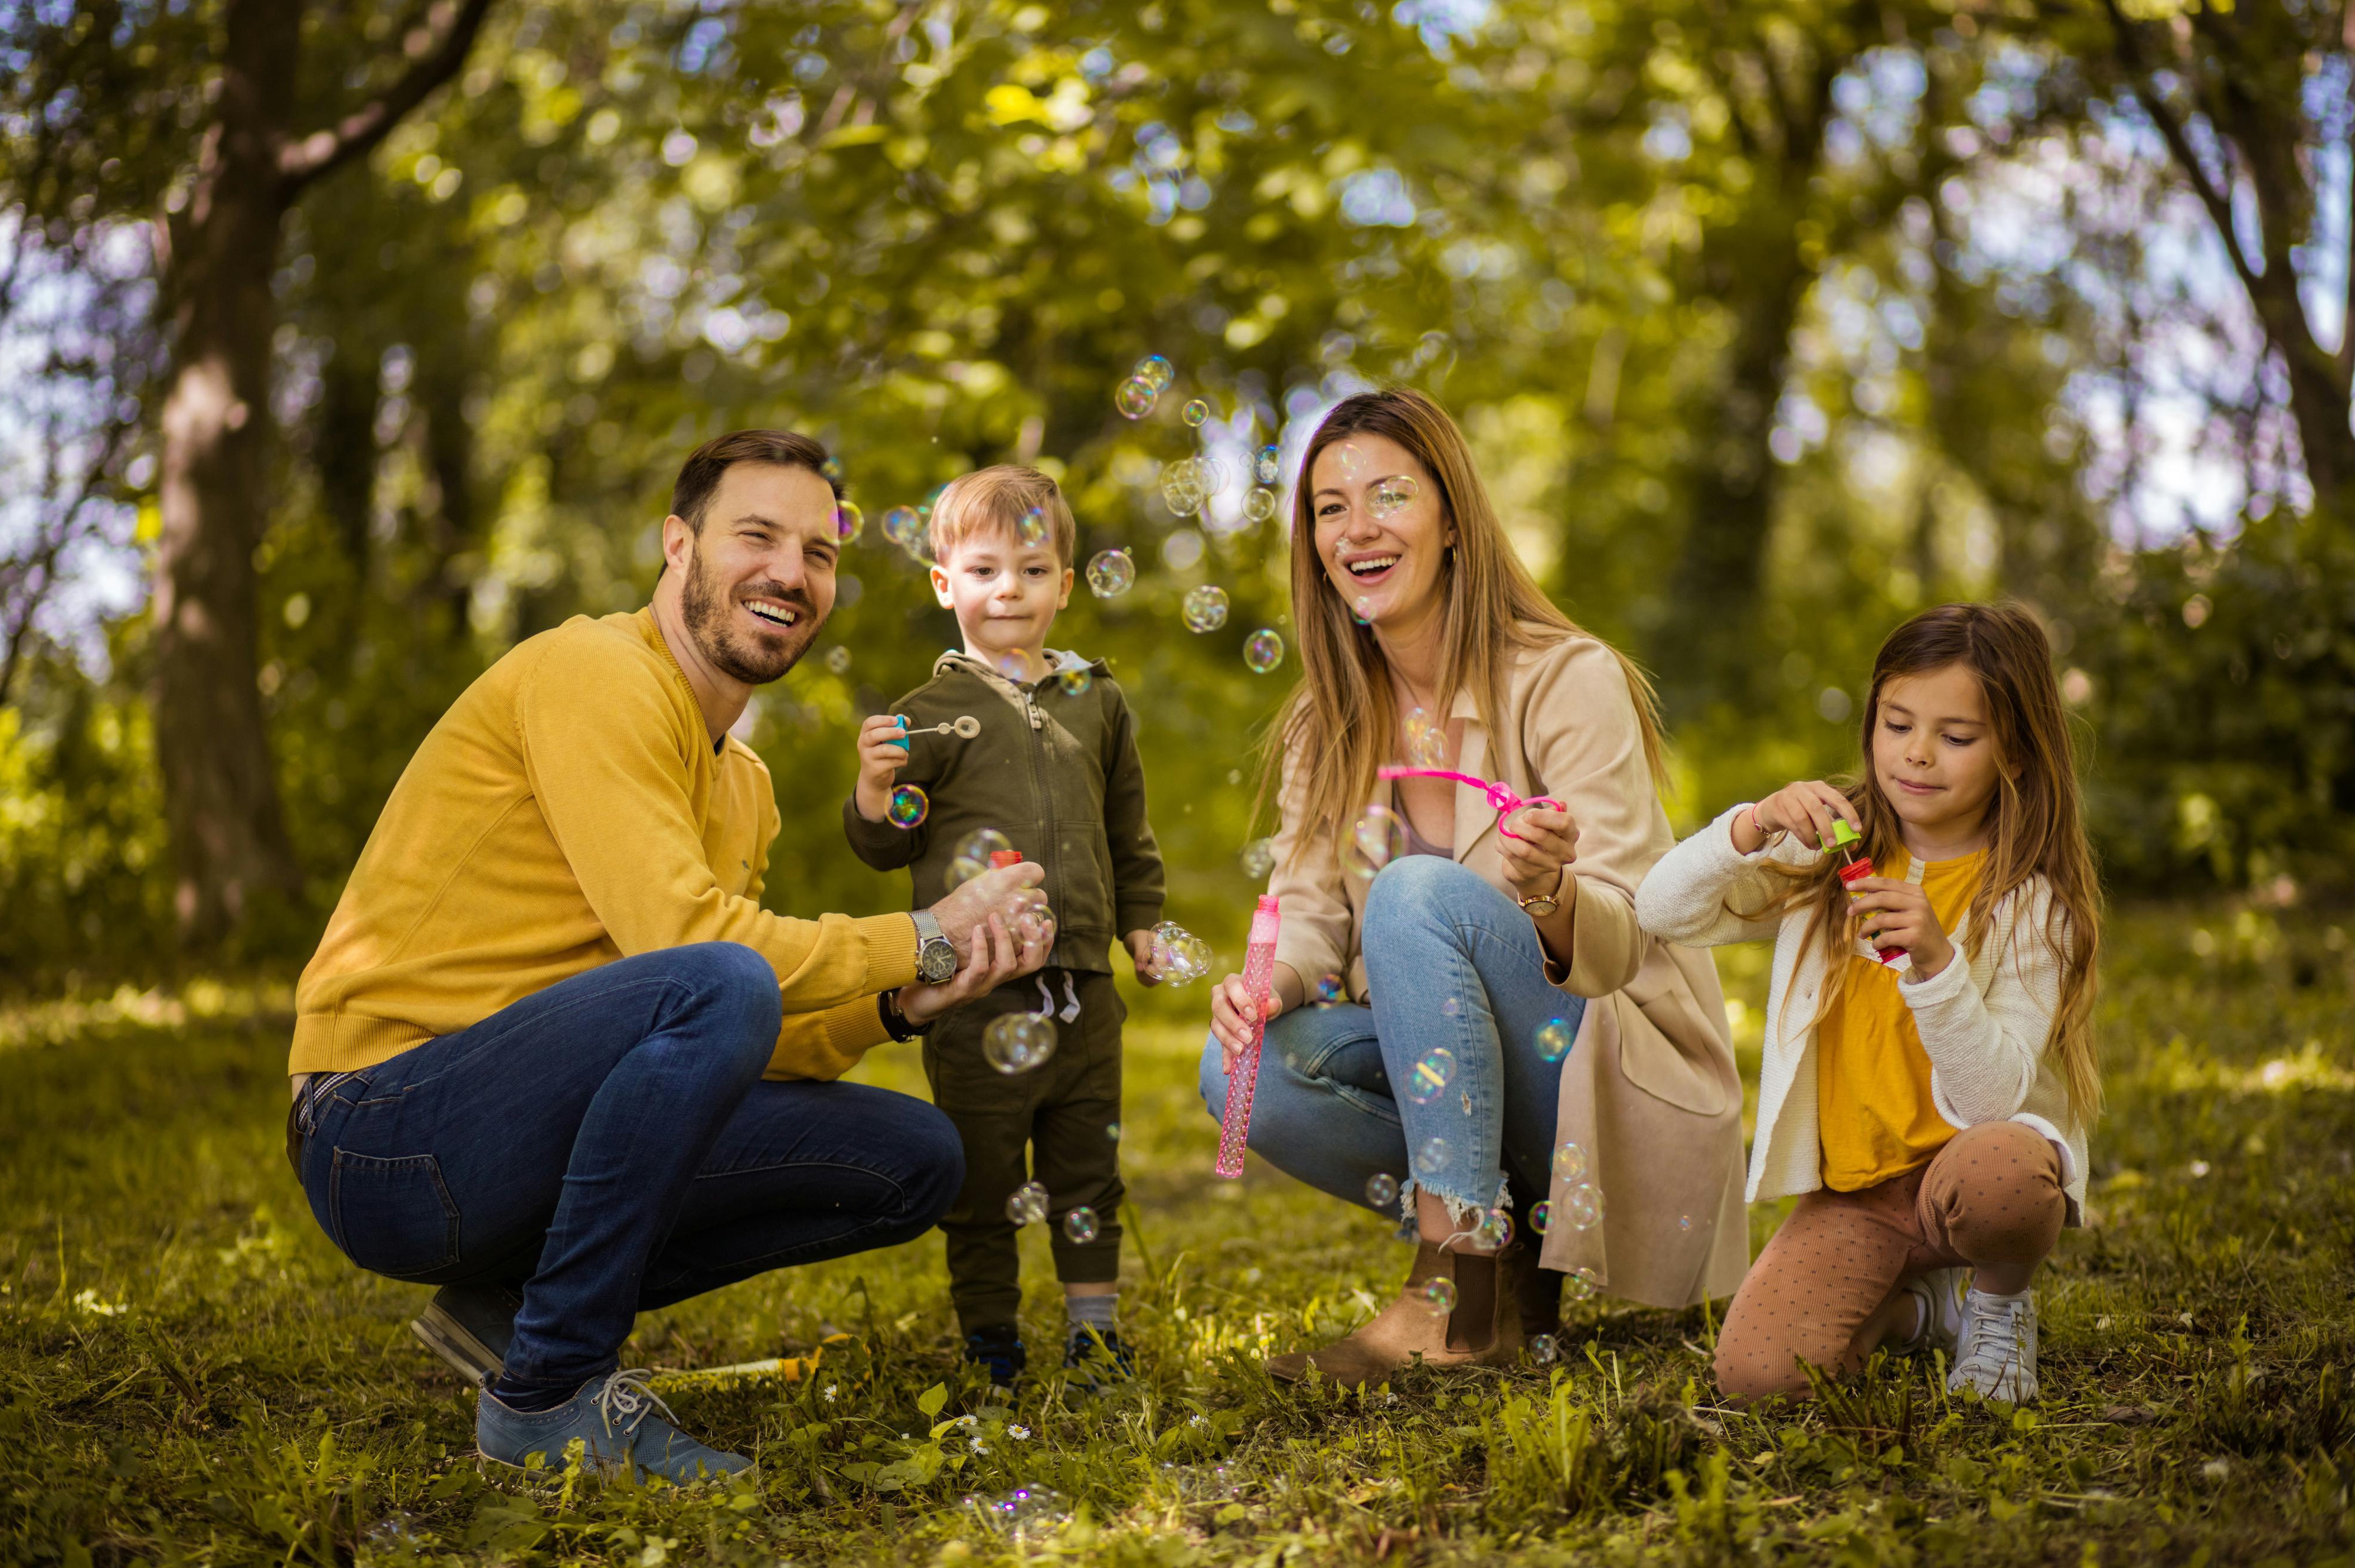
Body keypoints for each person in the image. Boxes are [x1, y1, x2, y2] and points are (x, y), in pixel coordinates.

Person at [288, 430, 1053, 1484]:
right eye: (757, 536)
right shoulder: (593, 672)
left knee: (914, 1159)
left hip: (530, 1135)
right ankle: (551, 1394)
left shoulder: (745, 784)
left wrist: (902, 1003)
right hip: (382, 1132)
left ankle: (515, 1309)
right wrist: (919, 931)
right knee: (719, 971)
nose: (791, 570)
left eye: (819, 553)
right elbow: (696, 954)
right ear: (678, 545)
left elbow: (723, 1034)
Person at [1198, 388, 1748, 1385]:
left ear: (1452, 518)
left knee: (1414, 893)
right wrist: (1266, 985)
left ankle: (1453, 1294)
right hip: (1488, 1080)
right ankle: (1510, 1258)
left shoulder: (1567, 676)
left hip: (1599, 1069)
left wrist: (1549, 894)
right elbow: (1312, 910)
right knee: (1239, 1071)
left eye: (1389, 496)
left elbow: (1631, 936)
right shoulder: (1327, 722)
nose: (1355, 528)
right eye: (1328, 507)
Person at [1635, 602, 2101, 1403]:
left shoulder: (2031, 904)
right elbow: (1661, 911)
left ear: (2016, 754)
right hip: (1856, 1192)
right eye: (1896, 724)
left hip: (1971, 1169)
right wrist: (1747, 828)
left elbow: (1998, 1100)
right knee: (1759, 1377)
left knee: (2006, 1176)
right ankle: (1921, 1314)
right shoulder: (1831, 851)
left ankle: (1995, 1302)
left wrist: (1935, 964)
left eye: (1957, 738)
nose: (1917, 755)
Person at [842, 466, 1167, 1389]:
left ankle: (1095, 1334)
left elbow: (1125, 832)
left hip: (1084, 993)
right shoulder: (926, 718)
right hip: (975, 990)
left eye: (1032, 570)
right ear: (945, 584)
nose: (1009, 591)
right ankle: (992, 1344)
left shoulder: (1098, 701)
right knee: (981, 1178)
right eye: (984, 571)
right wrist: (874, 793)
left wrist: (1140, 921)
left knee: (1086, 1170)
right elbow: (881, 844)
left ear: (1065, 586)